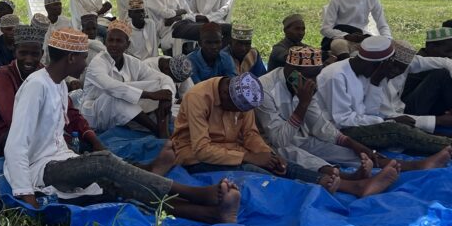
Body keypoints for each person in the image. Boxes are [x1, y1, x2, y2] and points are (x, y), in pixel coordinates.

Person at [3, 27, 241, 224]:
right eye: (84, 57)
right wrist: (26, 195)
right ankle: (195, 193)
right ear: (71, 58)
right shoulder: (37, 86)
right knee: (103, 163)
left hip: (60, 159)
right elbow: (15, 145)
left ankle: (207, 214)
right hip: (41, 169)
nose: (86, 63)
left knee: (116, 186)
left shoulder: (58, 84)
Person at [170, 71, 399, 197]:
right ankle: (352, 187)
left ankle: (349, 182)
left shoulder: (246, 97)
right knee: (256, 171)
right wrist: (249, 157)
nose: (236, 114)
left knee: (280, 164)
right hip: (195, 156)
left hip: (232, 149)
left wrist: (266, 154)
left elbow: (250, 134)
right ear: (225, 96)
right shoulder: (198, 97)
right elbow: (202, 149)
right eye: (233, 110)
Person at [256, 46, 450, 175]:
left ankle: (409, 166)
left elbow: (319, 126)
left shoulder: (306, 83)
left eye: (315, 76)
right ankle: (347, 179)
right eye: (308, 76)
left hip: (303, 136)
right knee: (294, 154)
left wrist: (352, 144)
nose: (313, 82)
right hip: (270, 143)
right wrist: (302, 105)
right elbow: (278, 139)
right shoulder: (265, 88)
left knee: (349, 151)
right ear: (290, 70)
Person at [316, 36, 452, 161]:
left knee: (406, 136)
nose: (394, 72)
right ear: (378, 64)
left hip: (372, 122)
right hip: (341, 132)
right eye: (390, 67)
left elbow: (369, 112)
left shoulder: (370, 73)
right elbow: (344, 120)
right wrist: (390, 121)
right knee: (399, 132)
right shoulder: (337, 76)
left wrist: (376, 84)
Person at [0, 24, 106, 153]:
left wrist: (92, 139)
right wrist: (61, 142)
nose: (29, 59)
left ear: (42, 54)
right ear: (14, 52)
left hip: (46, 133)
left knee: (83, 145)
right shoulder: (2, 76)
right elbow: (15, 121)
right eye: (23, 53)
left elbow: (69, 113)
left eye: (34, 54)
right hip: (9, 133)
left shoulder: (50, 75)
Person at [80, 21, 175, 137]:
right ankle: (156, 130)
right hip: (95, 115)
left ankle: (161, 120)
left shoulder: (132, 62)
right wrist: (150, 95)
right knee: (116, 95)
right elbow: (111, 87)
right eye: (110, 40)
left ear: (127, 45)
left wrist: (166, 95)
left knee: (157, 84)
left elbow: (163, 78)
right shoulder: (98, 62)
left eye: (119, 41)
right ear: (105, 42)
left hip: (121, 112)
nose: (114, 44)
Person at [321, 0, 391, 57]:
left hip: (364, 38)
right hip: (342, 39)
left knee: (402, 46)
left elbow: (382, 25)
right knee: (339, 45)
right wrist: (346, 35)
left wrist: (388, 39)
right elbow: (325, 29)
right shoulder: (337, 0)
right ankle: (346, 65)